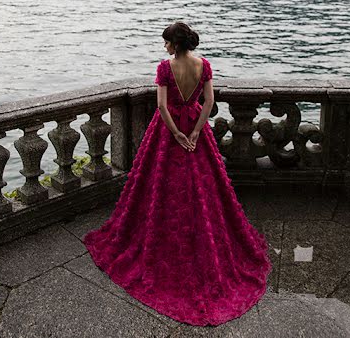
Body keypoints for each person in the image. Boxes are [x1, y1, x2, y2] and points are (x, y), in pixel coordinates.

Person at [83, 21, 272, 326]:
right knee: (206, 189)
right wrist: (196, 133)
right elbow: (208, 102)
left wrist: (177, 135)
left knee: (159, 187)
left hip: (169, 135)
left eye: (167, 42)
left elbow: (161, 106)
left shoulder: (165, 68)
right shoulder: (203, 65)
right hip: (196, 129)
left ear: (175, 43)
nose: (164, 46)